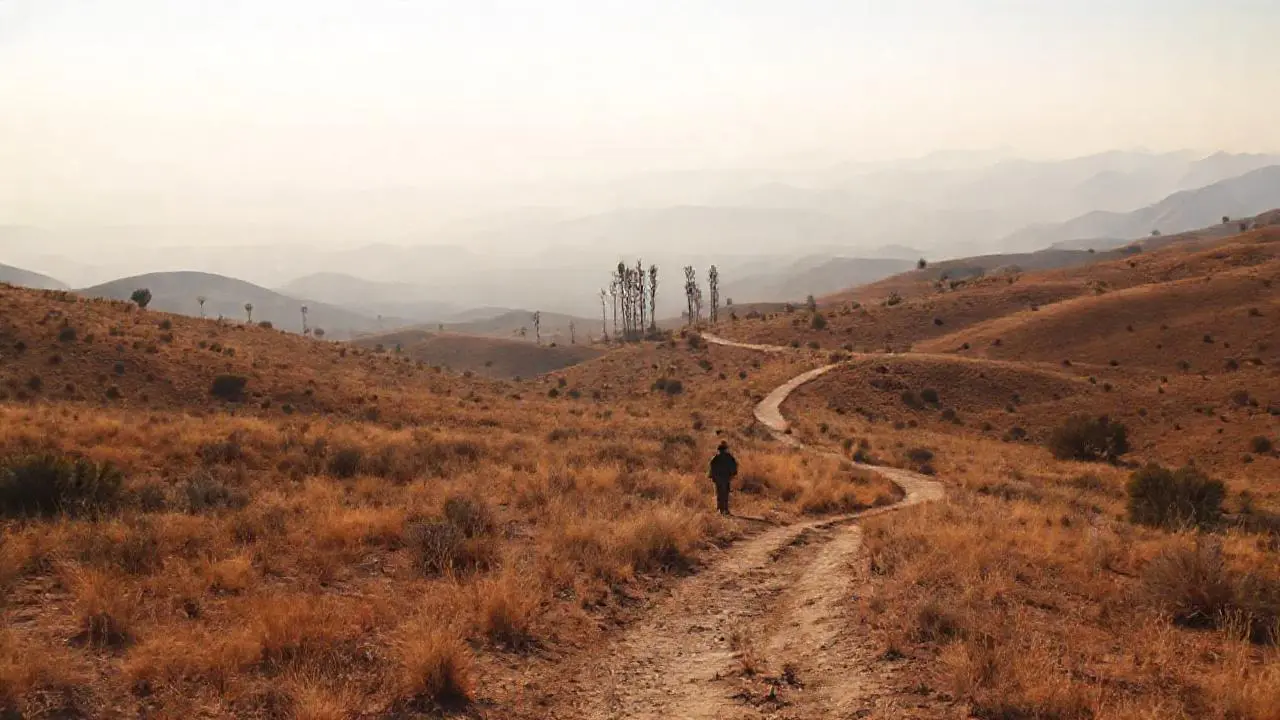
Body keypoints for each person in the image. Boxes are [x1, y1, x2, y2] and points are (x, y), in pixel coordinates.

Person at [708, 441, 739, 515]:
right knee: (725, 494)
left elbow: (712, 468)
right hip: (726, 478)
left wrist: (712, 476)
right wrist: (733, 474)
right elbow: (734, 466)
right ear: (725, 449)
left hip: (718, 479)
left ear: (718, 450)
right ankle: (725, 509)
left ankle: (720, 509)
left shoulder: (715, 458)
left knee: (719, 493)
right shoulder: (729, 457)